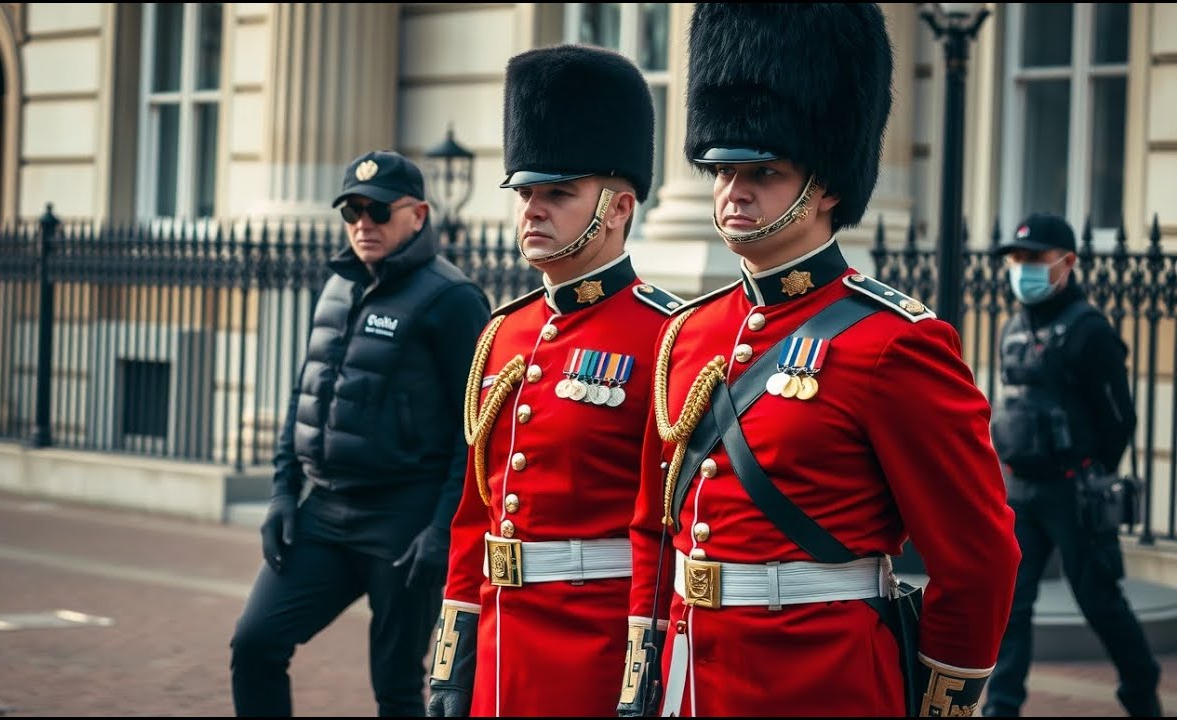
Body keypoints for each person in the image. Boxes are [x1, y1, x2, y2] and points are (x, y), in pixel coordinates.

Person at [614, 5, 1021, 717]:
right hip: (691, 678)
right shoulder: (689, 333)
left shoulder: (893, 342)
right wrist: (643, 669)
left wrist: (939, 704)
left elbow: (976, 559)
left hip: (820, 680)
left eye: (761, 171)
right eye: (721, 169)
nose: (732, 190)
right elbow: (658, 525)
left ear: (825, 185)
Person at [425, 44, 684, 717]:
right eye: (527, 193)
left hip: (590, 649)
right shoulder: (503, 333)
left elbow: (663, 530)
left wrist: (642, 677)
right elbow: (472, 518)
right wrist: (452, 664)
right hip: (499, 635)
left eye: (558, 193)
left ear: (619, 208)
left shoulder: (665, 336)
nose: (533, 210)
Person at [228, 150, 491, 717]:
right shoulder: (338, 286)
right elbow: (305, 397)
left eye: (377, 211)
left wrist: (443, 529)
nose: (362, 225)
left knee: (396, 687)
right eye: (351, 211)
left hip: (403, 520)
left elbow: (471, 433)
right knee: (255, 643)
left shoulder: (453, 300)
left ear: (418, 214)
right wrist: (281, 495)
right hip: (324, 513)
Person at [982, 212, 1161, 717]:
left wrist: (1089, 471)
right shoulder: (1014, 327)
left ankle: (1141, 687)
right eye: (1016, 260)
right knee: (1011, 607)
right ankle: (1003, 705)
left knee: (1099, 600)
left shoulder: (1090, 332)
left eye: (1034, 259)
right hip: (1020, 492)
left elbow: (1118, 419)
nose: (1022, 269)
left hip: (1073, 492)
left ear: (1067, 264)